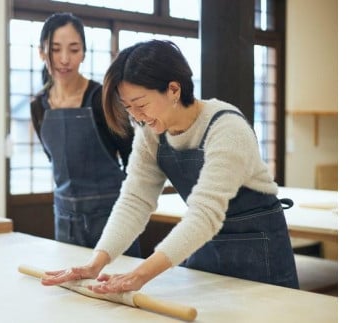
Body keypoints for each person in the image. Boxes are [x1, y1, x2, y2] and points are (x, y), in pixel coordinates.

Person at [41, 39, 299, 293]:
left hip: (260, 253)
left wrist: (140, 275)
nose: (136, 117)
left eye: (141, 104)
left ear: (174, 90)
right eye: (128, 108)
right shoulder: (150, 133)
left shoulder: (226, 127)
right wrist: (95, 263)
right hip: (206, 247)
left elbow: (205, 214)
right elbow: (135, 200)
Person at [30, 12, 141, 257]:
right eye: (55, 50)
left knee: (118, 286)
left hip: (112, 218)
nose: (64, 59)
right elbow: (54, 159)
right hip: (65, 218)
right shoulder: (38, 106)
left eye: (74, 49)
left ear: (84, 53)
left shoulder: (102, 98)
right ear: (41, 53)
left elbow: (133, 158)